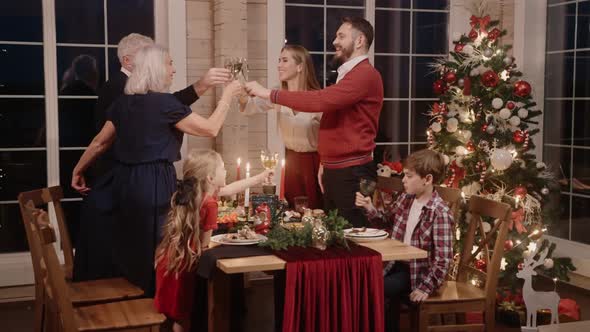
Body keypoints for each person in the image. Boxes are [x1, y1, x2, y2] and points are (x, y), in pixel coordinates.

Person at [71, 44, 241, 295]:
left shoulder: (123, 103)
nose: (173, 69)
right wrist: (227, 96)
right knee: (157, 245)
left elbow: (100, 142)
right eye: (170, 64)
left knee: (129, 242)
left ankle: (126, 294)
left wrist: (78, 169)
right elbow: (210, 129)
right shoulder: (164, 103)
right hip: (154, 183)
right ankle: (157, 298)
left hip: (122, 181)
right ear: (156, 69)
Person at [245, 17, 383, 227]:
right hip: (336, 170)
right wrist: (325, 161)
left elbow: (321, 100)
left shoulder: (365, 75)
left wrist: (269, 93)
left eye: (341, 36)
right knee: (333, 235)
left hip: (352, 173)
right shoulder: (349, 74)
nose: (335, 42)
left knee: (353, 237)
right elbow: (333, 118)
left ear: (359, 40)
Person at [154, 149, 272, 332]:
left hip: (171, 260)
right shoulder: (210, 204)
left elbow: (232, 188)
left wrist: (260, 177)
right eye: (223, 168)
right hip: (186, 264)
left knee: (173, 316)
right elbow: (205, 246)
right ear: (210, 177)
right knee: (182, 317)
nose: (226, 171)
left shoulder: (196, 194)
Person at [91, 33, 231, 181]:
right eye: (147, 55)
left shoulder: (138, 97)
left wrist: (202, 84)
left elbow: (164, 106)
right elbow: (101, 142)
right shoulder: (120, 88)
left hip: (129, 178)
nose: (151, 58)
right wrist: (228, 94)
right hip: (139, 178)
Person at [355, 149, 454, 332]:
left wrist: (426, 287)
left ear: (428, 179)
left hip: (417, 272)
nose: (403, 180)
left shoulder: (439, 213)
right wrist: (369, 206)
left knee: (374, 289)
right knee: (360, 281)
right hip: (395, 264)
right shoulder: (406, 199)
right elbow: (386, 220)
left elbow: (444, 260)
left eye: (409, 176)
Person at [239, 44, 323, 209]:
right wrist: (242, 95)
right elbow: (248, 108)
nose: (279, 65)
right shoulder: (276, 95)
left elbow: (331, 135)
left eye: (285, 60)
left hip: (314, 164)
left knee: (315, 211)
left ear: (300, 66)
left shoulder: (316, 98)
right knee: (291, 212)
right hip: (290, 162)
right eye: (279, 60)